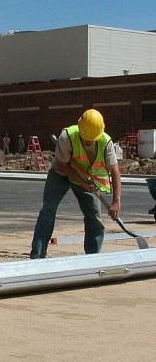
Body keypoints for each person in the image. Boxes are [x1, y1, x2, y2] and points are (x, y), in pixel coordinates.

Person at [30, 109, 121, 259]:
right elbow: (64, 165)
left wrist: (116, 202)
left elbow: (115, 171)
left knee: (94, 214)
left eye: (91, 139)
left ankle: (93, 257)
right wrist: (82, 182)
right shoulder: (67, 137)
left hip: (86, 177)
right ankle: (37, 256)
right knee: (48, 210)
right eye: (86, 138)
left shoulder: (106, 143)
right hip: (61, 174)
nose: (88, 141)